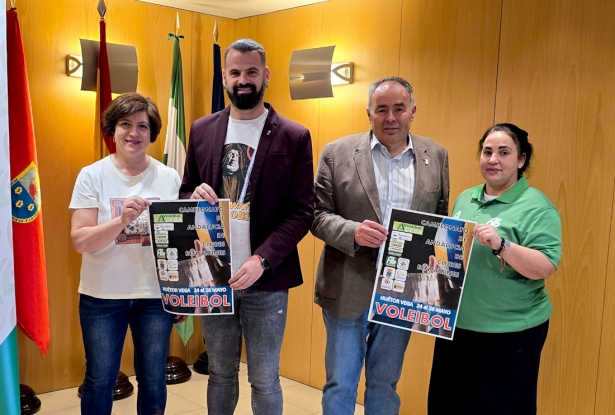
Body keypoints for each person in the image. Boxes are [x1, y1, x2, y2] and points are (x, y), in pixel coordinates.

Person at [179, 38, 314, 415]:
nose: (243, 80)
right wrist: (192, 197)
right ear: (224, 76)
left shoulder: (294, 135)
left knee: (264, 378)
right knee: (220, 373)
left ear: (265, 75)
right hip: (213, 275)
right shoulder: (202, 129)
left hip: (265, 281)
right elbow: (185, 189)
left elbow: (302, 211)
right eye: (235, 72)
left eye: (251, 72)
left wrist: (261, 260)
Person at [312, 76, 450, 415]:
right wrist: (352, 232)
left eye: (399, 109)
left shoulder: (438, 156)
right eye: (382, 109)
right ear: (368, 113)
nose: (391, 117)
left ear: (413, 111)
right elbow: (316, 215)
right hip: (347, 285)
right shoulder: (337, 152)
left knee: (385, 383)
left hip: (403, 291)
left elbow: (441, 220)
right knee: (341, 383)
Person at [428, 123, 562, 415]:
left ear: (521, 160)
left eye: (504, 152)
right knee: (447, 405)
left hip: (510, 333)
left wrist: (502, 245)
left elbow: (545, 266)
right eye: (487, 152)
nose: (493, 159)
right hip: (457, 327)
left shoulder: (537, 207)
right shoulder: (466, 197)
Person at [69, 92, 183, 415]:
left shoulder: (169, 177)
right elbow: (80, 240)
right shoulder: (92, 175)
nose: (134, 133)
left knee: (153, 381)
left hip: (154, 298)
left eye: (143, 126)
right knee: (100, 380)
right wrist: (121, 221)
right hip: (102, 298)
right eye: (125, 124)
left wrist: (180, 294)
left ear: (152, 132)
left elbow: (175, 240)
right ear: (112, 129)